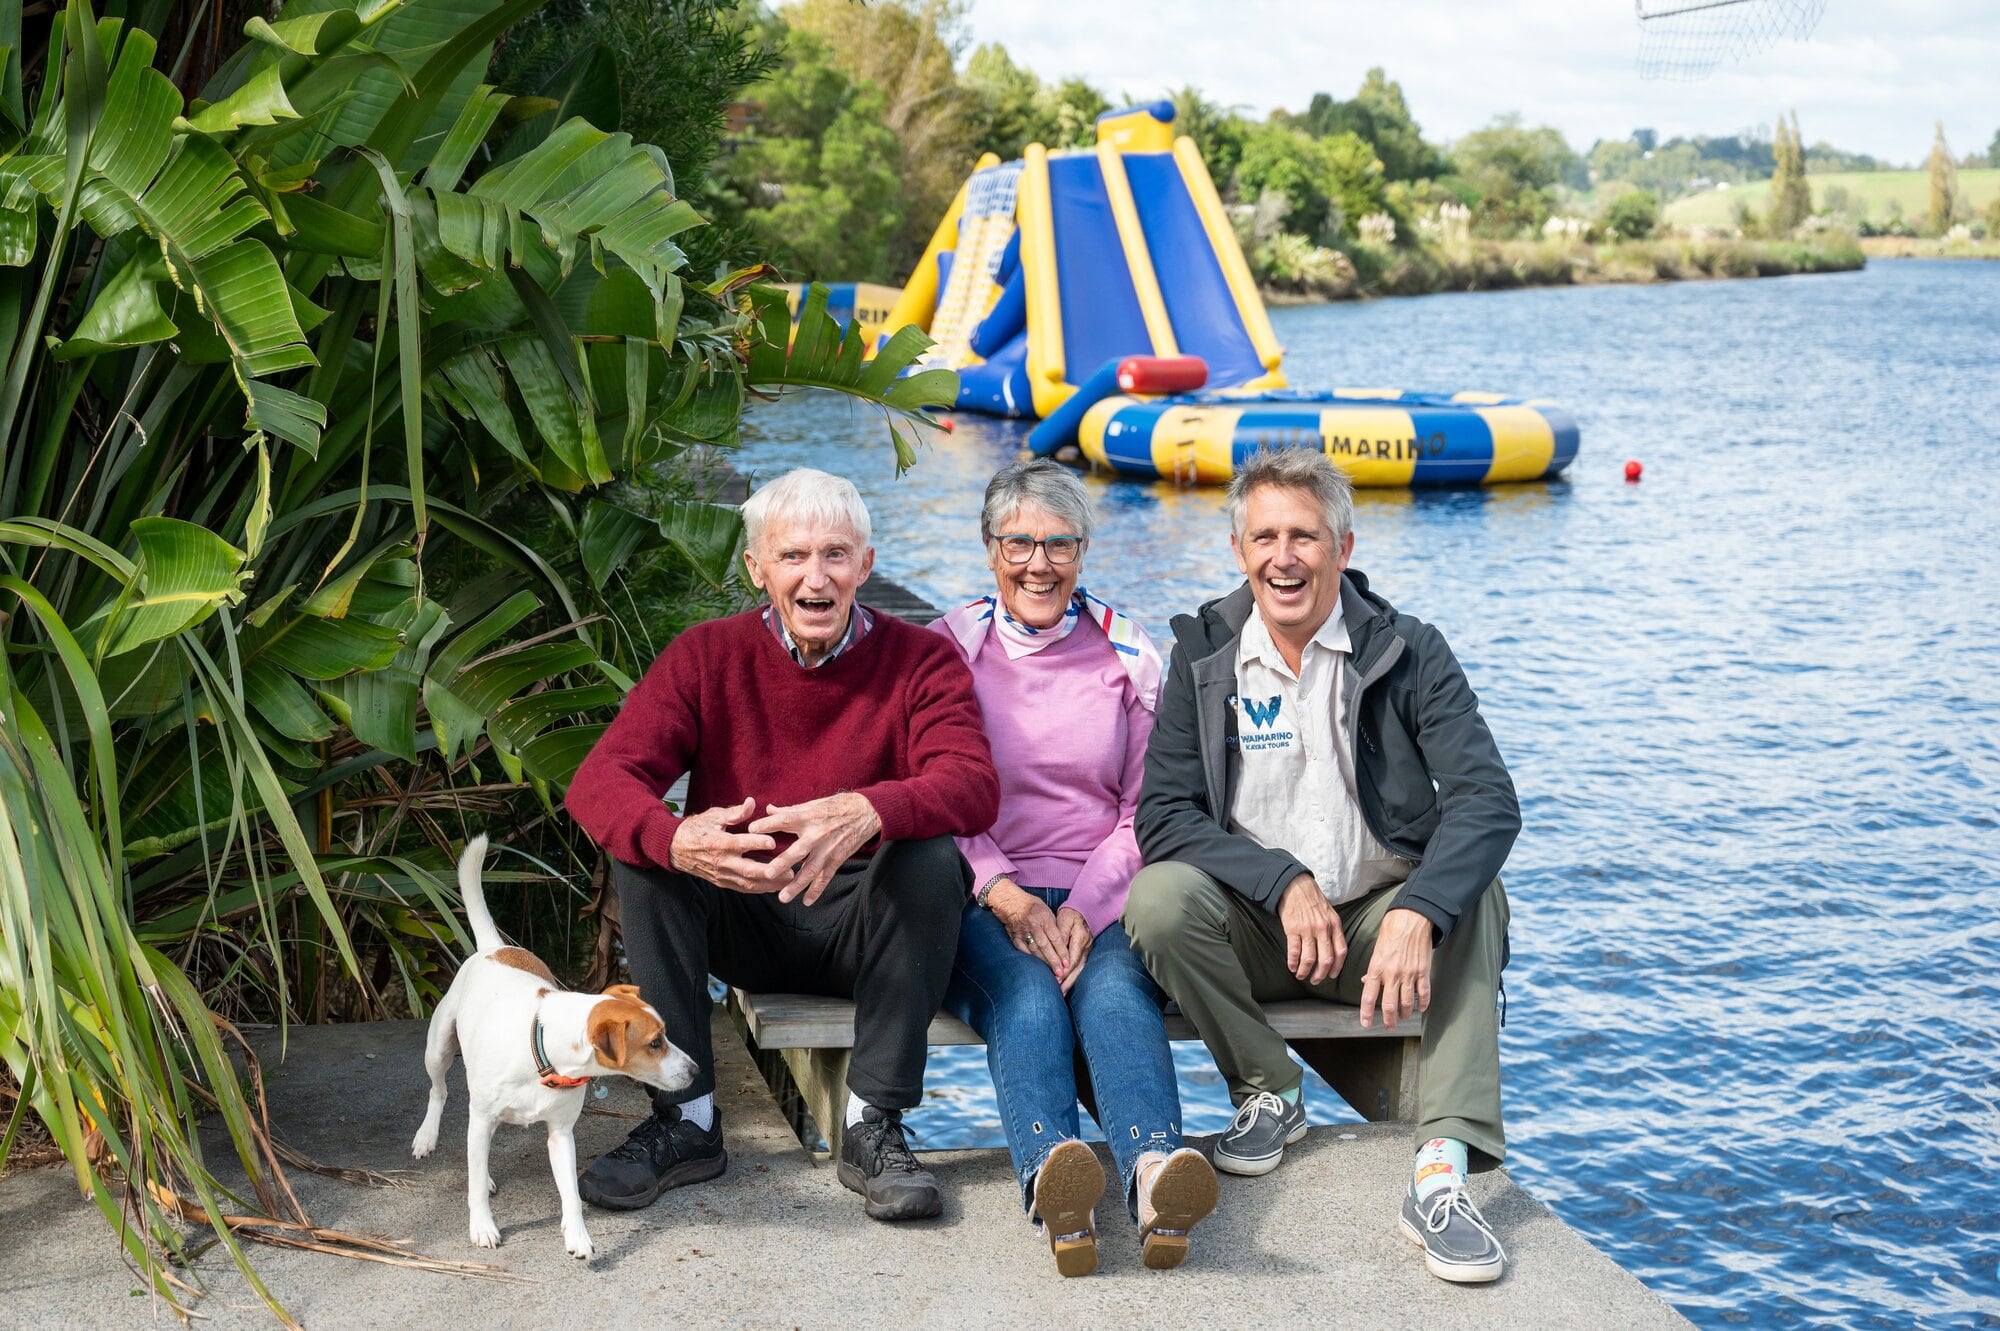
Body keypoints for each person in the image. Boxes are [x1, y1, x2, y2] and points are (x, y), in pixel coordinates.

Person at [1124, 448, 1519, 1285]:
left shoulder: (1410, 651)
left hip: (1381, 933)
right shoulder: (1202, 657)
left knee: (1476, 895)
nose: (1283, 556)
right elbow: (1162, 817)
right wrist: (1279, 878)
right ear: (1239, 549)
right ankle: (1270, 1089)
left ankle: (1441, 1177)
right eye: (1264, 536)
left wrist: (1419, 909)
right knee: (1157, 900)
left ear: (1342, 545)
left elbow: (1487, 800)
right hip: (1258, 934)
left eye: (1304, 535)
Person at [565, 468, 1000, 1223]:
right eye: (793, 555)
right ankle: (686, 1120)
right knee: (645, 856)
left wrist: (869, 808)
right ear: (757, 569)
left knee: (932, 854)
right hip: (744, 917)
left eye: (836, 555)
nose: (816, 576)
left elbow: (972, 784)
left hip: (864, 927)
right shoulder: (706, 656)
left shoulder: (921, 660)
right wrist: (674, 838)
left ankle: (874, 1126)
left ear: (865, 566)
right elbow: (600, 779)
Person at [929, 460, 1218, 1277]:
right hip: (985, 893)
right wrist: (1007, 892)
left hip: (1102, 890)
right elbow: (935, 791)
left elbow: (1145, 808)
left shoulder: (1129, 651)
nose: (1039, 563)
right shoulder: (948, 648)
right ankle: (1059, 1180)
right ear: (990, 550)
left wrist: (1086, 908)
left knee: (1116, 991)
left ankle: (1156, 1172)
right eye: (1019, 542)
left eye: (1059, 544)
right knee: (1024, 996)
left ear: (1084, 551)